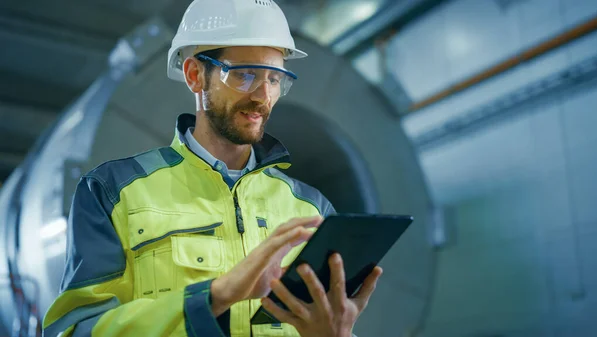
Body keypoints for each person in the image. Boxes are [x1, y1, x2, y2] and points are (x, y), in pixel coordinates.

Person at [42, 0, 383, 336]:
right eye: (245, 74)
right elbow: (77, 330)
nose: (263, 97)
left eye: (275, 79)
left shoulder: (311, 208)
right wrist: (215, 295)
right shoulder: (113, 191)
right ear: (194, 75)